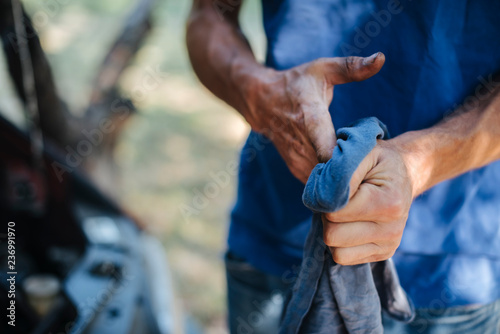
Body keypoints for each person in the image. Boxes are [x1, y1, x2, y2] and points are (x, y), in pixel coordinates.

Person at [186, 0, 500, 333]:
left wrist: (418, 164)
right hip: (271, 246)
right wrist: (258, 93)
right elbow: (208, 16)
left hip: (452, 275)